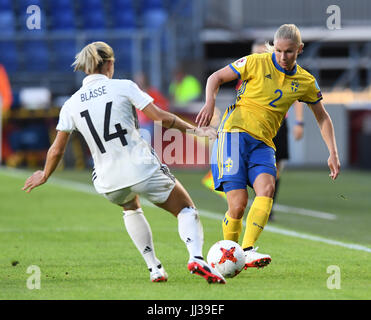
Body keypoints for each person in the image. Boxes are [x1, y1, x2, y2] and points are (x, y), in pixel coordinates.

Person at [22, 41, 226, 284]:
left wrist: (44, 174)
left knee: (130, 206)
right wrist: (196, 131)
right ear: (109, 64)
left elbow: (57, 148)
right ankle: (196, 258)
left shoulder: (71, 103)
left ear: (86, 68)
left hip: (108, 180)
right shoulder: (123, 87)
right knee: (186, 209)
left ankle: (155, 269)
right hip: (140, 167)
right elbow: (160, 117)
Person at [196, 24, 340, 269]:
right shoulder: (255, 62)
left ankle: (248, 249)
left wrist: (333, 152)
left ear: (300, 50)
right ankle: (227, 257)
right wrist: (210, 103)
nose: (283, 57)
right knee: (238, 205)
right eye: (280, 51)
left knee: (267, 188)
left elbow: (323, 116)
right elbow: (216, 77)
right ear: (274, 47)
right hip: (233, 136)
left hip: (263, 143)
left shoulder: (305, 81)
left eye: (290, 52)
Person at [201, 40, 305, 220]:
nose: (257, 56)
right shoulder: (245, 71)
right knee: (242, 165)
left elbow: (297, 97)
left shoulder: (283, 72)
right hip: (246, 127)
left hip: (277, 125)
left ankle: (266, 204)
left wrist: (299, 122)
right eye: (254, 53)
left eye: (261, 52)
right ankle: (242, 198)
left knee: (276, 165)